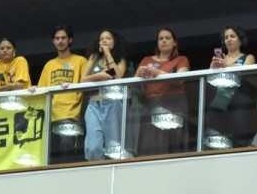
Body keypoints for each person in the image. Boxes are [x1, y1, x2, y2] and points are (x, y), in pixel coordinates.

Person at [36, 25, 88, 163]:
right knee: (48, 156)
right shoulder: (49, 65)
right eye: (57, 38)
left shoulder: (80, 61)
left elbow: (86, 84)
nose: (60, 41)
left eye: (63, 38)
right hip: (50, 116)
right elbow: (42, 90)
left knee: (67, 154)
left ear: (70, 40)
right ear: (53, 41)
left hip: (71, 114)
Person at [136, 27, 191, 157]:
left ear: (174, 43)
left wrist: (157, 73)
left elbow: (181, 78)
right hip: (150, 104)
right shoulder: (146, 60)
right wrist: (138, 74)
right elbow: (136, 84)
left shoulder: (181, 59)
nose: (164, 41)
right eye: (161, 39)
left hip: (174, 102)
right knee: (150, 141)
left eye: (167, 38)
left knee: (172, 140)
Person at [205, 26, 256, 149]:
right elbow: (208, 82)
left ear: (240, 40)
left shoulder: (248, 57)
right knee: (215, 133)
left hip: (239, 100)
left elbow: (245, 73)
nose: (229, 39)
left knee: (240, 133)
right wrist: (212, 68)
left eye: (232, 36)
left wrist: (227, 65)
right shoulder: (220, 59)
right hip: (220, 101)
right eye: (226, 37)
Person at [83, 29, 128, 160]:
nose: (104, 41)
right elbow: (82, 79)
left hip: (112, 104)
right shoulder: (93, 57)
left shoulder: (121, 59)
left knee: (113, 144)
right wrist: (100, 76)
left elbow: (118, 75)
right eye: (101, 39)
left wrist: (108, 53)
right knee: (92, 146)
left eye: (108, 38)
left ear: (114, 42)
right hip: (94, 104)